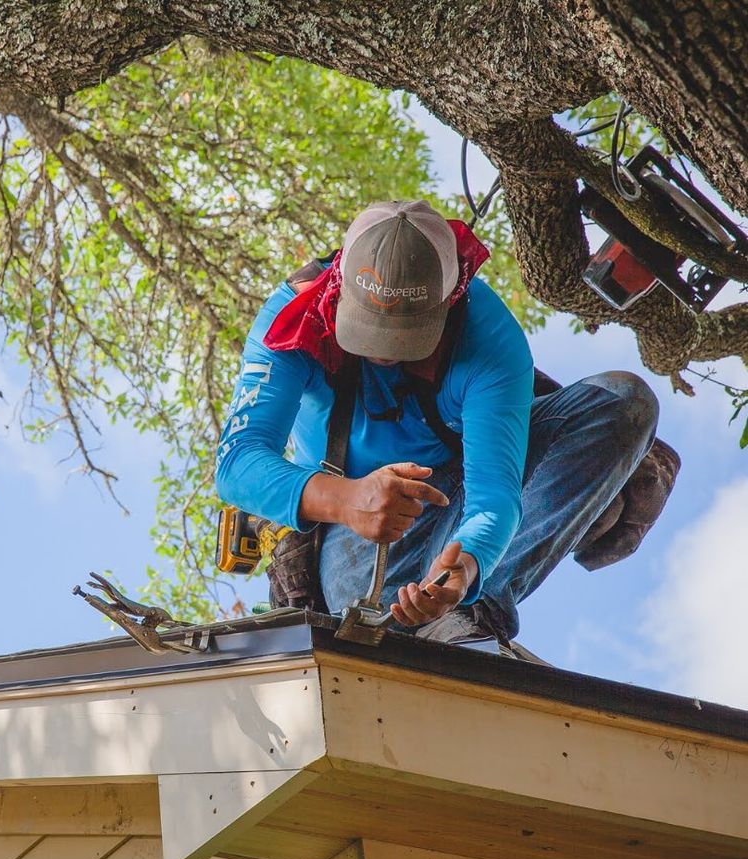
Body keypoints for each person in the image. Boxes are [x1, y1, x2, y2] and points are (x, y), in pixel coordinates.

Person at [215, 200, 662, 646]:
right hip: (360, 537)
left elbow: (493, 498)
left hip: (462, 494)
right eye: (367, 328)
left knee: (624, 401)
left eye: (405, 335)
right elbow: (237, 464)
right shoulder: (292, 319)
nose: (382, 351)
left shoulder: (490, 341)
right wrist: (349, 499)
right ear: (339, 288)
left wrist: (465, 567)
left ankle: (471, 616)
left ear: (451, 299)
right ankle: (408, 627)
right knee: (361, 608)